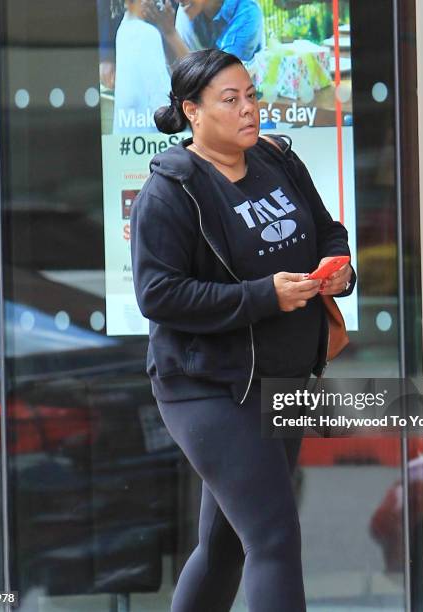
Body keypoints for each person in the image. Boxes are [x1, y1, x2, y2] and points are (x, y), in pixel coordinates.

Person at [131, 49, 355, 611]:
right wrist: (264, 296)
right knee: (274, 537)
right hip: (208, 387)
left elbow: (327, 231)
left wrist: (340, 268)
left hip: (285, 376)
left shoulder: (278, 159)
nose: (248, 109)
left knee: (227, 545)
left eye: (251, 95)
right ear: (193, 111)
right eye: (230, 100)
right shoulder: (171, 191)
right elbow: (157, 295)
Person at [141, 0, 263, 66]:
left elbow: (222, 80)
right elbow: (180, 72)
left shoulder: (246, 13)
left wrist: (170, 33)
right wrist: (164, 30)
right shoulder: (188, 10)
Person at [112, 0, 172, 133]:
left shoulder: (123, 29)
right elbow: (161, 96)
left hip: (128, 135)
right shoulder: (148, 33)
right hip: (151, 136)